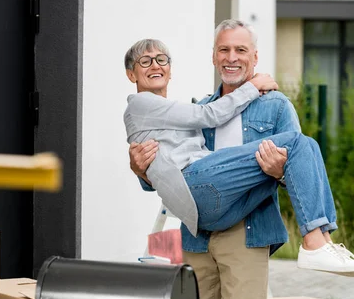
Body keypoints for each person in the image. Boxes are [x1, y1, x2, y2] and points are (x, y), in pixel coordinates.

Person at [125, 20, 348, 299]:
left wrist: (281, 167)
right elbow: (170, 180)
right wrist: (141, 170)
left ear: (254, 58)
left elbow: (299, 161)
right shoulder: (202, 107)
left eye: (240, 50)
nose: (231, 57)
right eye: (223, 49)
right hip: (198, 232)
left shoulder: (275, 104)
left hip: (246, 231)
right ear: (213, 56)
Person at [124, 41, 353, 274]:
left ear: (170, 71)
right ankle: (315, 243)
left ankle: (324, 241)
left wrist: (143, 171)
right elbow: (209, 115)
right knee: (296, 142)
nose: (155, 65)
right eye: (145, 61)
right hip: (195, 187)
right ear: (131, 74)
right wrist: (253, 86)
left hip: (214, 211)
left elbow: (159, 162)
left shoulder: (168, 112)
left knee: (307, 145)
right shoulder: (141, 104)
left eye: (161, 59)